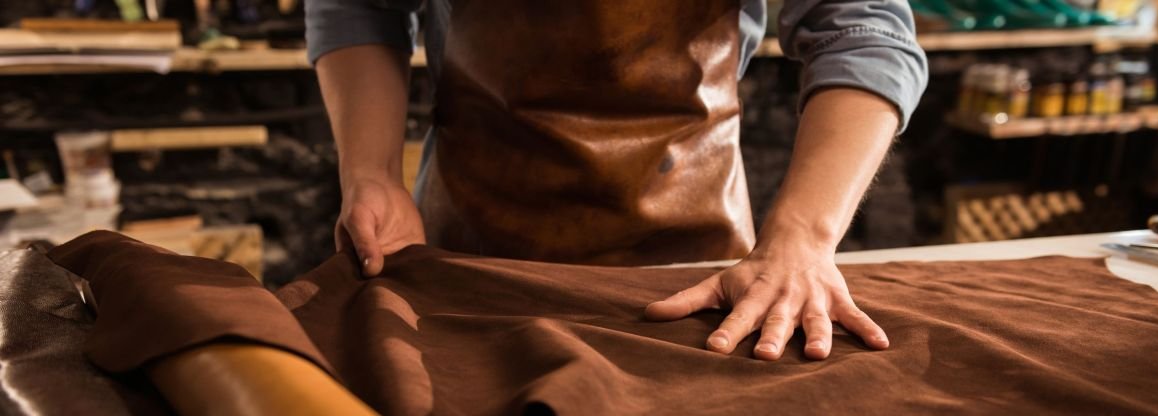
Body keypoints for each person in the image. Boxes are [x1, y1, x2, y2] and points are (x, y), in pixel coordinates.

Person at [307, 0, 928, 361]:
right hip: (467, 256)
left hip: (697, 281)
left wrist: (803, 237)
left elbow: (864, 30)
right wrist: (373, 173)